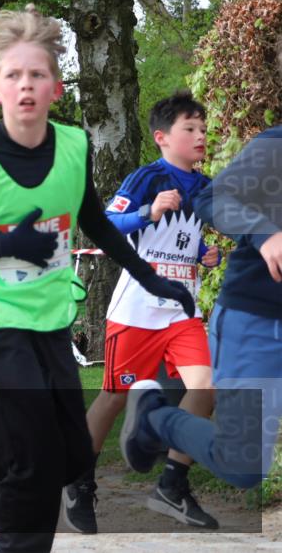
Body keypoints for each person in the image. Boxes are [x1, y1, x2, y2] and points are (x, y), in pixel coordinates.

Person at [0, 5, 195, 552]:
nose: (26, 84)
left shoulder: (74, 148)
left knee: (72, 454)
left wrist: (151, 278)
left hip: (50, 318)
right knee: (35, 464)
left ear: (56, 87)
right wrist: (4, 243)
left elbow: (96, 220)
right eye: (13, 75)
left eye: (38, 74)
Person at [63, 91, 220, 533]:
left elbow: (185, 241)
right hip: (137, 310)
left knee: (205, 387)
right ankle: (79, 481)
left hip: (182, 310)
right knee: (113, 397)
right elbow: (105, 225)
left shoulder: (206, 187)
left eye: (203, 129)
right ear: (162, 137)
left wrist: (206, 254)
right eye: (190, 129)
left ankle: (172, 485)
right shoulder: (145, 178)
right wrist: (149, 211)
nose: (201, 136)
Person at [121, 124, 282, 494]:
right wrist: (264, 234)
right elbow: (212, 200)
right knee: (243, 466)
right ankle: (154, 417)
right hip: (259, 323)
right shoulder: (276, 146)